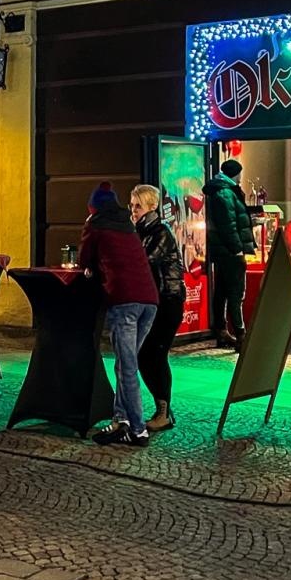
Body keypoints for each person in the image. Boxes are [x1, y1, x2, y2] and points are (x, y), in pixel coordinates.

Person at [80, 183, 159, 446]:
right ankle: (120, 420)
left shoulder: (97, 225)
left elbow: (84, 259)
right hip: (149, 302)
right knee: (125, 363)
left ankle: (138, 430)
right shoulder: (127, 226)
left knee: (127, 367)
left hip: (124, 301)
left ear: (94, 207)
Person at [131, 184, 184, 433]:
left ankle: (164, 412)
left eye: (138, 206)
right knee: (144, 355)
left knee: (155, 353)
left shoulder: (160, 232)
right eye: (132, 206)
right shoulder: (139, 231)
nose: (133, 210)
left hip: (168, 301)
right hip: (153, 301)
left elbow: (147, 260)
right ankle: (162, 408)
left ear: (152, 207)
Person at [204, 159, 256, 350]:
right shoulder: (225, 192)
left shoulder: (222, 190)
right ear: (236, 173)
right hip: (230, 251)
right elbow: (228, 225)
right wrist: (238, 248)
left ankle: (222, 331)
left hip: (222, 251)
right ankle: (241, 335)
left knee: (222, 292)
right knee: (235, 293)